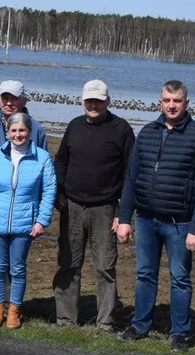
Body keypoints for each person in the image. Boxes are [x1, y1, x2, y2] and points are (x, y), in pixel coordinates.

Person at [115, 80, 195, 352]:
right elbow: (132, 177)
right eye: (167, 100)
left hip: (179, 223)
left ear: (187, 103)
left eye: (177, 101)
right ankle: (139, 325)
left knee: (180, 278)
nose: (171, 105)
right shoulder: (148, 132)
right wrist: (125, 218)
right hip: (146, 219)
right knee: (144, 274)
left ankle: (180, 332)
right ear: (159, 102)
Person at [52, 80, 135, 331]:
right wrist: (58, 193)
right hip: (72, 207)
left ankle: (106, 321)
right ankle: (66, 319)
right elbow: (61, 161)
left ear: (108, 101)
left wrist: (122, 213)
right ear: (82, 101)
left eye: (98, 100)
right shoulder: (74, 126)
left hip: (105, 209)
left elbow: (131, 174)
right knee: (68, 264)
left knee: (105, 267)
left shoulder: (121, 129)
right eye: (89, 100)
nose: (93, 105)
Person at [0, 112, 56, 330]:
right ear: (7, 132)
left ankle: (14, 311)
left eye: (22, 130)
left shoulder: (42, 158)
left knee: (18, 268)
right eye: (13, 130)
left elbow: (48, 192)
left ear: (29, 131)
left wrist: (41, 221)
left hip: (25, 223)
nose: (18, 134)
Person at [0, 80, 48, 306]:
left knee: (16, 263)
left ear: (24, 100)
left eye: (14, 98)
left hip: (24, 210)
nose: (8, 102)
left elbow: (44, 175)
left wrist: (40, 215)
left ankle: (12, 305)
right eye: (4, 97)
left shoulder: (37, 129)